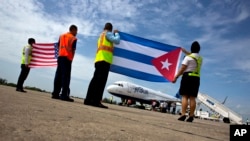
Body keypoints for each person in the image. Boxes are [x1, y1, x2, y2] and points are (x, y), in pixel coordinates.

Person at [84, 22, 120, 108]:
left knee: (94, 81)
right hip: (104, 60)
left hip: (98, 60)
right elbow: (117, 41)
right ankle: (96, 101)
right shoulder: (108, 34)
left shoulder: (100, 36)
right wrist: (116, 33)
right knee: (101, 83)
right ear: (110, 29)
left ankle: (88, 99)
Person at [172, 41, 202, 122]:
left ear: (191, 49)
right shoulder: (200, 58)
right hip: (196, 78)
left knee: (185, 96)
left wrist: (176, 77)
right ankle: (191, 115)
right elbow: (193, 55)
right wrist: (184, 51)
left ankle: (183, 114)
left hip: (187, 77)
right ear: (199, 49)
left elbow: (182, 68)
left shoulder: (187, 58)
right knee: (192, 97)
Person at [51, 25, 78, 102]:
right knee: (65, 77)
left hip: (60, 57)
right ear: (73, 30)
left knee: (58, 75)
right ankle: (64, 95)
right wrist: (71, 59)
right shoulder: (73, 38)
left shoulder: (62, 36)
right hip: (67, 58)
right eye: (76, 31)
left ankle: (55, 93)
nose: (76, 33)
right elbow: (73, 49)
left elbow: (58, 45)